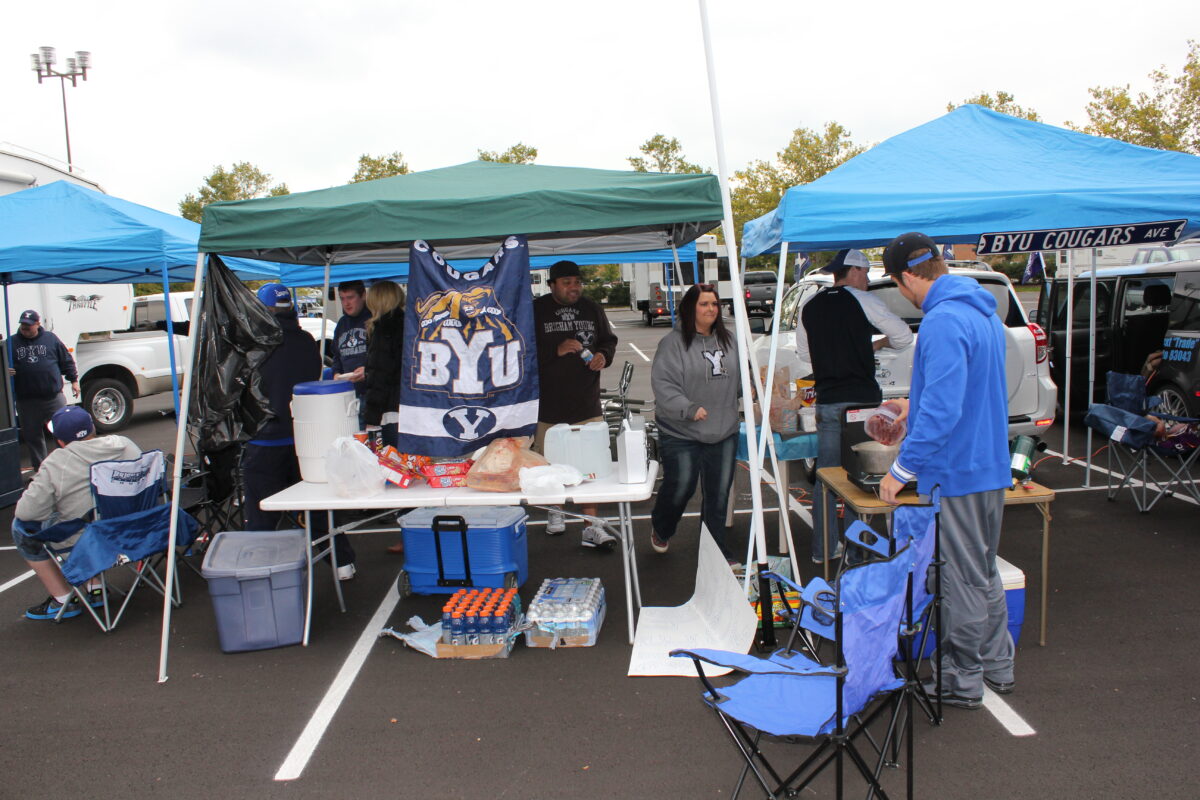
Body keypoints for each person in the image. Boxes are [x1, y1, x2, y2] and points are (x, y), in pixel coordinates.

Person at [878, 232, 1013, 710]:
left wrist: (901, 468)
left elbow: (944, 411)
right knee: (982, 572)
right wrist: (911, 404)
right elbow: (963, 391)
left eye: (898, 284)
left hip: (957, 470)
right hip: (989, 464)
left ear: (909, 275)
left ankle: (960, 679)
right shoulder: (982, 313)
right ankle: (998, 664)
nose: (903, 294)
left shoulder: (941, 321)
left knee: (959, 580)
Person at [796, 249, 913, 563]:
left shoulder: (811, 305)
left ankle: (823, 548)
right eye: (866, 275)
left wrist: (837, 349)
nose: (867, 282)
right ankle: (856, 551)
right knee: (860, 476)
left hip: (828, 402)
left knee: (827, 476)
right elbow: (903, 336)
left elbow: (805, 355)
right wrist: (877, 343)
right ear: (856, 272)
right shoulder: (865, 301)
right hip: (860, 401)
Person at [243, 284, 357, 580]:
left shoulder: (255, 346)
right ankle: (343, 563)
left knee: (261, 513)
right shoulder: (306, 341)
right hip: (306, 438)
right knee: (316, 507)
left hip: (266, 439)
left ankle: (261, 574)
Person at [11, 405, 141, 620]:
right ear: (93, 428)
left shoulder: (57, 462)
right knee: (92, 515)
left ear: (60, 441)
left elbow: (26, 513)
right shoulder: (124, 445)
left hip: (91, 540)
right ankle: (95, 588)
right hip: (136, 533)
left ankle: (63, 599)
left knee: (21, 528)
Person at [649, 284, 741, 565]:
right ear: (690, 308)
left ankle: (715, 553)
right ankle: (662, 528)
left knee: (718, 495)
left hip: (724, 430)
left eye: (714, 304)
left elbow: (740, 376)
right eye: (704, 304)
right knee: (682, 486)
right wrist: (688, 409)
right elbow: (664, 385)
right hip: (681, 431)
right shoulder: (673, 343)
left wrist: (751, 390)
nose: (711, 309)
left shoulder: (730, 340)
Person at [533, 260, 618, 549]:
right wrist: (553, 350)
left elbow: (609, 340)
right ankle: (555, 514)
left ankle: (591, 526)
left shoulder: (592, 308)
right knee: (548, 463)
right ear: (552, 284)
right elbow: (521, 350)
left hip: (586, 402)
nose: (574, 287)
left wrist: (603, 355)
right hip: (548, 404)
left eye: (577, 282)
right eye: (567, 282)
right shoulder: (536, 310)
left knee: (591, 466)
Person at [9, 309, 80, 471]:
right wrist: (5, 370)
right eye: (22, 325)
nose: (25, 329)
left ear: (37, 324)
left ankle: (67, 467)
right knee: (33, 436)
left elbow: (66, 361)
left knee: (62, 431)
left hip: (52, 397)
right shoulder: (12, 343)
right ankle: (40, 471)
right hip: (26, 399)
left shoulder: (50, 339)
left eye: (28, 326)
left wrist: (74, 380)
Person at [361, 280, 405, 449]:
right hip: (410, 408)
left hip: (390, 411)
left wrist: (371, 418)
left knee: (392, 465)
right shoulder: (409, 325)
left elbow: (379, 376)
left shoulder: (383, 330)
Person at [331, 280, 372, 405]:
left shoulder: (373, 320)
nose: (346, 303)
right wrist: (336, 373)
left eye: (350, 297)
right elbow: (336, 355)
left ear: (363, 295)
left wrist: (368, 370)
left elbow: (384, 356)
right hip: (348, 393)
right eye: (342, 299)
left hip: (371, 392)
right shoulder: (342, 323)